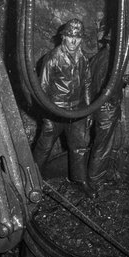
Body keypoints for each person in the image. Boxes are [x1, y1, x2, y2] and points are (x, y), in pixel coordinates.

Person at [31, 18, 95, 197]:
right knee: (44, 147)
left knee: (79, 146)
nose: (74, 41)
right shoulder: (52, 58)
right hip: (56, 111)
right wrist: (46, 117)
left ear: (81, 39)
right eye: (70, 36)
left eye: (78, 37)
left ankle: (80, 179)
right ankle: (32, 181)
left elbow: (87, 84)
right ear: (63, 37)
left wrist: (88, 111)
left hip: (77, 111)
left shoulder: (83, 59)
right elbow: (41, 89)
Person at [87, 20, 129, 186]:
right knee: (102, 148)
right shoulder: (109, 61)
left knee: (101, 145)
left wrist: (122, 81)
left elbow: (105, 83)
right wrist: (110, 104)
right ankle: (95, 181)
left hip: (100, 107)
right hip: (106, 109)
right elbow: (104, 88)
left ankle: (97, 176)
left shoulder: (99, 57)